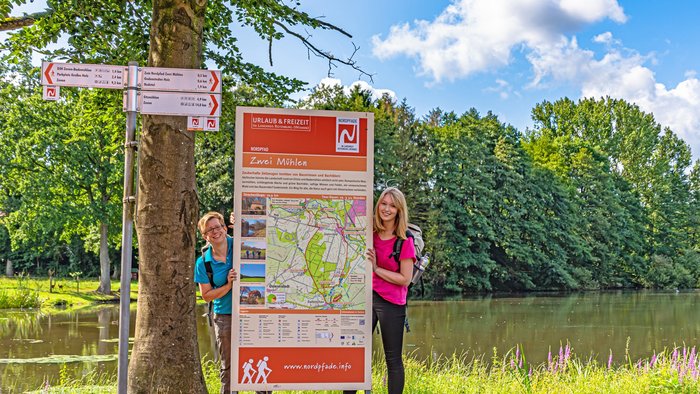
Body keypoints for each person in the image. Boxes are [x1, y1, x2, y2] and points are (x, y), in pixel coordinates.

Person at [344, 187, 416, 394]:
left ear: (399, 210)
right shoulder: (369, 234)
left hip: (391, 303)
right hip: (363, 299)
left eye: (392, 206)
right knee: (355, 355)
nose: (386, 209)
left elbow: (405, 279)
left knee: (392, 359)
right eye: (383, 203)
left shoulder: (404, 240)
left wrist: (376, 269)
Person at [194, 212, 271, 394]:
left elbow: (261, 241)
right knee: (228, 367)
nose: (215, 231)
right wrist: (228, 285)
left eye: (218, 226)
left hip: (252, 314)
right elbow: (206, 296)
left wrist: (243, 222)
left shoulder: (240, 244)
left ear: (225, 227)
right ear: (205, 236)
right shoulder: (203, 262)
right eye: (209, 229)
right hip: (225, 316)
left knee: (257, 359)